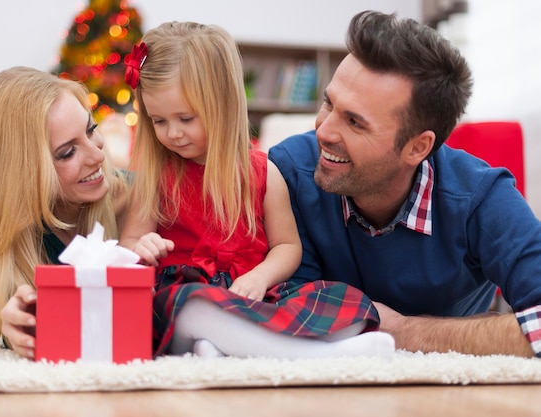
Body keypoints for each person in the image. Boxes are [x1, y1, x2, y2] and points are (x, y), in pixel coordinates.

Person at [268, 10, 541, 358]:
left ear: (417, 147)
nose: (323, 131)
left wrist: (404, 331)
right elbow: (282, 307)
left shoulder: (482, 198)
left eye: (354, 121)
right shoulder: (289, 172)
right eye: (328, 103)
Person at [120, 21, 394, 358]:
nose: (173, 133)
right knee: (190, 305)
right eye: (159, 121)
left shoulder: (263, 172)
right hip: (186, 297)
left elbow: (287, 246)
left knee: (350, 300)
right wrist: (141, 247)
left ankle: (224, 347)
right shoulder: (157, 176)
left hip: (253, 295)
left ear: (222, 105)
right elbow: (128, 244)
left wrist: (260, 278)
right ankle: (316, 355)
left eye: (186, 118)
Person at [0, 66, 130, 359]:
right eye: (67, 152)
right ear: (18, 176)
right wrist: (14, 326)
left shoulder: (135, 200)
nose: (98, 155)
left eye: (91, 130)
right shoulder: (15, 248)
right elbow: (11, 314)